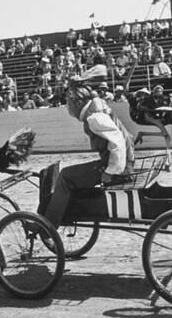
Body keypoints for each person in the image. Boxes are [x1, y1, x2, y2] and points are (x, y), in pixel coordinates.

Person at [37, 67, 135, 229]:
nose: (68, 108)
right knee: (73, 174)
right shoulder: (97, 106)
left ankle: (48, 226)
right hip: (121, 163)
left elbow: (117, 142)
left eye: (69, 104)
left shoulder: (94, 118)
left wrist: (110, 172)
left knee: (66, 176)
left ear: (79, 102)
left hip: (119, 168)